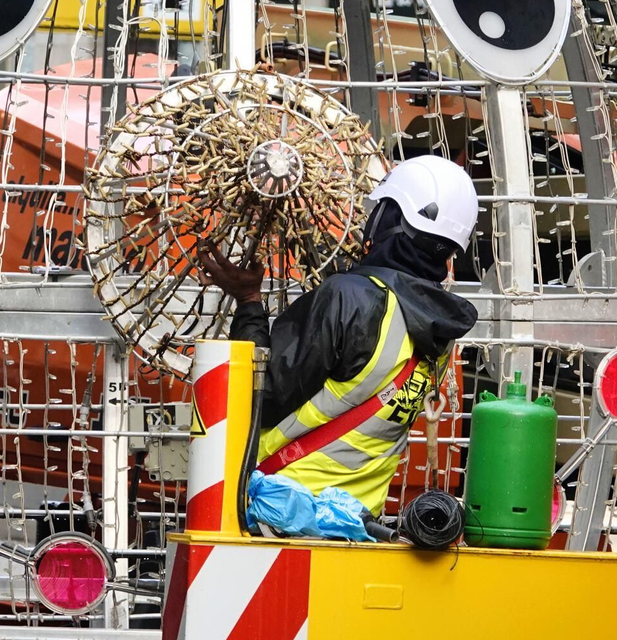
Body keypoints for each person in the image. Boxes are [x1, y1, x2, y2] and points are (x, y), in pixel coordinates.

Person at [196, 154, 479, 517]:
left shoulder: (350, 298)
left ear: (390, 219)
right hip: (356, 523)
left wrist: (249, 301)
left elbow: (258, 397)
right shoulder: (441, 326)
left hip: (282, 508)